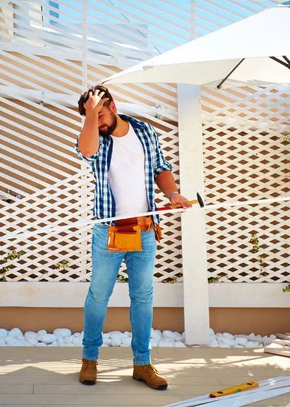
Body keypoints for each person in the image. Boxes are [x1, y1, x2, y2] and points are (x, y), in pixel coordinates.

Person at [75, 85, 191, 390]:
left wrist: (173, 193)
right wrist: (89, 114)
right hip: (109, 231)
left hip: (144, 228)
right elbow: (86, 151)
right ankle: (89, 359)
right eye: (90, 116)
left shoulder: (144, 131)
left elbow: (160, 170)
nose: (97, 122)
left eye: (100, 114)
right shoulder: (94, 136)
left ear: (113, 106)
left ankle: (142, 364)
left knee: (143, 297)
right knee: (98, 296)